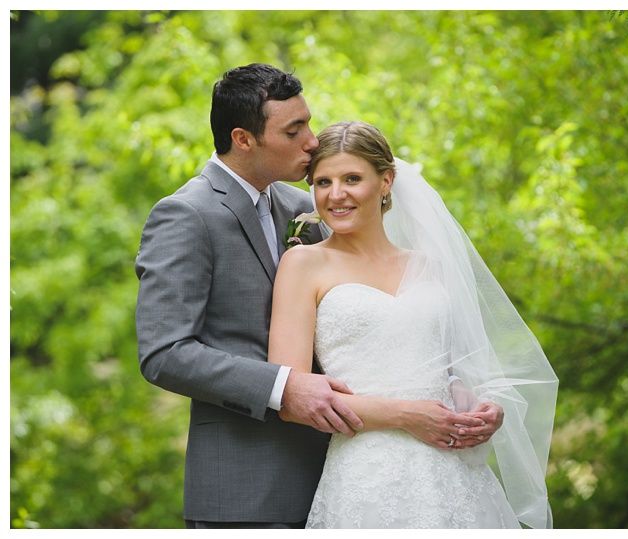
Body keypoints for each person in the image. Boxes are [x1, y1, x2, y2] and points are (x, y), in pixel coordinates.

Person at [134, 64, 491, 528]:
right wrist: (284, 387)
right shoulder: (186, 215)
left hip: (350, 464)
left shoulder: (305, 208)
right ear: (244, 139)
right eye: (294, 129)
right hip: (248, 484)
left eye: (308, 121)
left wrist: (457, 393)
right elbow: (164, 353)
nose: (312, 140)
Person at [268, 121, 559, 528]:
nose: (336, 195)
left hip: (454, 469)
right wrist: (407, 416)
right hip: (367, 474)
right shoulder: (303, 264)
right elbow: (293, 400)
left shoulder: (429, 266)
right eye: (323, 182)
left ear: (385, 180)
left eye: (352, 178)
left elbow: (459, 369)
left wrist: (486, 406)